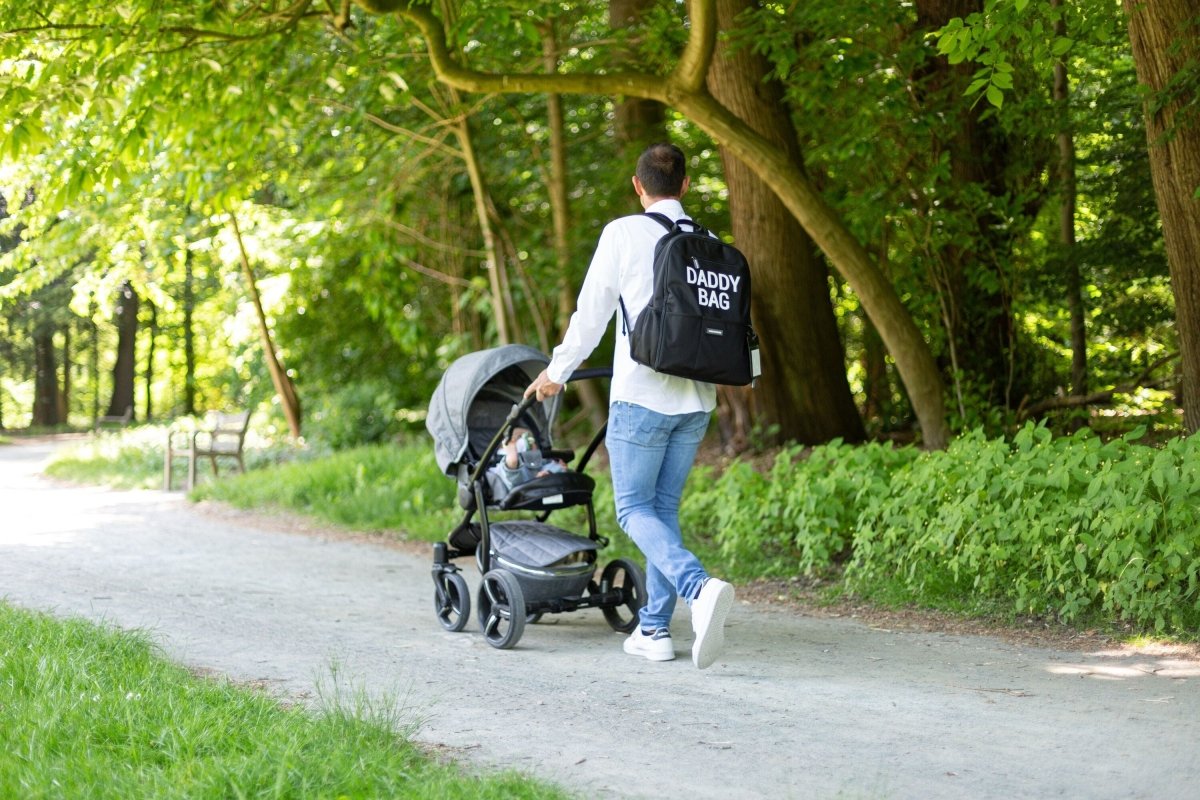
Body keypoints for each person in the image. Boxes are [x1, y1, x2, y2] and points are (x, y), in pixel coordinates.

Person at [524, 142, 735, 669]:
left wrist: (556, 373)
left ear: (638, 187)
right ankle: (655, 629)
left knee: (634, 509)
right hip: (696, 399)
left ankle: (698, 586)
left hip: (642, 396)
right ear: (685, 186)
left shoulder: (622, 232)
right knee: (661, 512)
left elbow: (591, 313)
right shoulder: (706, 240)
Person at [488, 426, 566, 495]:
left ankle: (540, 478)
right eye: (519, 437)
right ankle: (512, 459)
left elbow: (550, 462)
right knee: (509, 470)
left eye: (530, 440)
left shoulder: (538, 458)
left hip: (536, 476)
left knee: (554, 467)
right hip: (510, 482)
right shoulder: (499, 458)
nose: (526, 441)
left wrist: (557, 464)